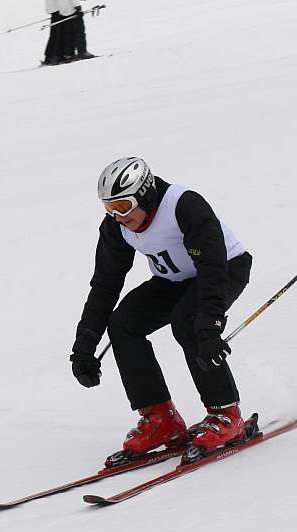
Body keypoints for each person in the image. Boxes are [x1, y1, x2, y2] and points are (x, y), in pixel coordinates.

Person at [70, 157, 253, 464]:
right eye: (109, 208)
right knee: (124, 323)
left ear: (145, 194)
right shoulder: (117, 228)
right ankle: (161, 420)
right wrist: (84, 347)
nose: (118, 216)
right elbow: (104, 286)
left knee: (189, 320)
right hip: (174, 280)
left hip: (223, 270)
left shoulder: (184, 206)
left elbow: (212, 268)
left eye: (124, 206)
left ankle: (225, 414)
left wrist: (209, 326)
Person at [42, 1, 94, 66]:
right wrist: (78, 7)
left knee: (62, 34)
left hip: (59, 11)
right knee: (79, 32)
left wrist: (54, 10)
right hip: (71, 10)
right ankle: (81, 52)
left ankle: (62, 55)